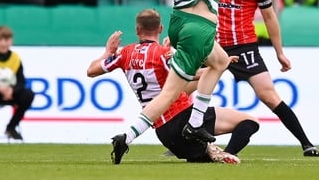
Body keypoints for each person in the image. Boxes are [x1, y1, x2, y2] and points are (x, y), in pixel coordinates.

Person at [77, 0, 259, 164]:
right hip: (201, 25)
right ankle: (141, 134)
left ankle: (193, 122)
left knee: (220, 61)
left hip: (177, 22)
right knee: (169, 93)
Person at [86, 9, 259, 163]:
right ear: (161, 29)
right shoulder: (163, 54)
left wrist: (108, 52)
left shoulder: (124, 53)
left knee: (202, 158)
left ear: (137, 30)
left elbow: (91, 71)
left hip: (163, 132)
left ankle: (208, 150)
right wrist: (220, 65)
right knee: (250, 122)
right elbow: (189, 74)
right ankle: (225, 153)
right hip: (182, 117)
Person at [217, 0, 319, 156]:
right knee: (183, 89)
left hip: (243, 47)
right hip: (214, 47)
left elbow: (270, 17)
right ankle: (177, 141)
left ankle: (306, 143)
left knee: (270, 96)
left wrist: (279, 52)